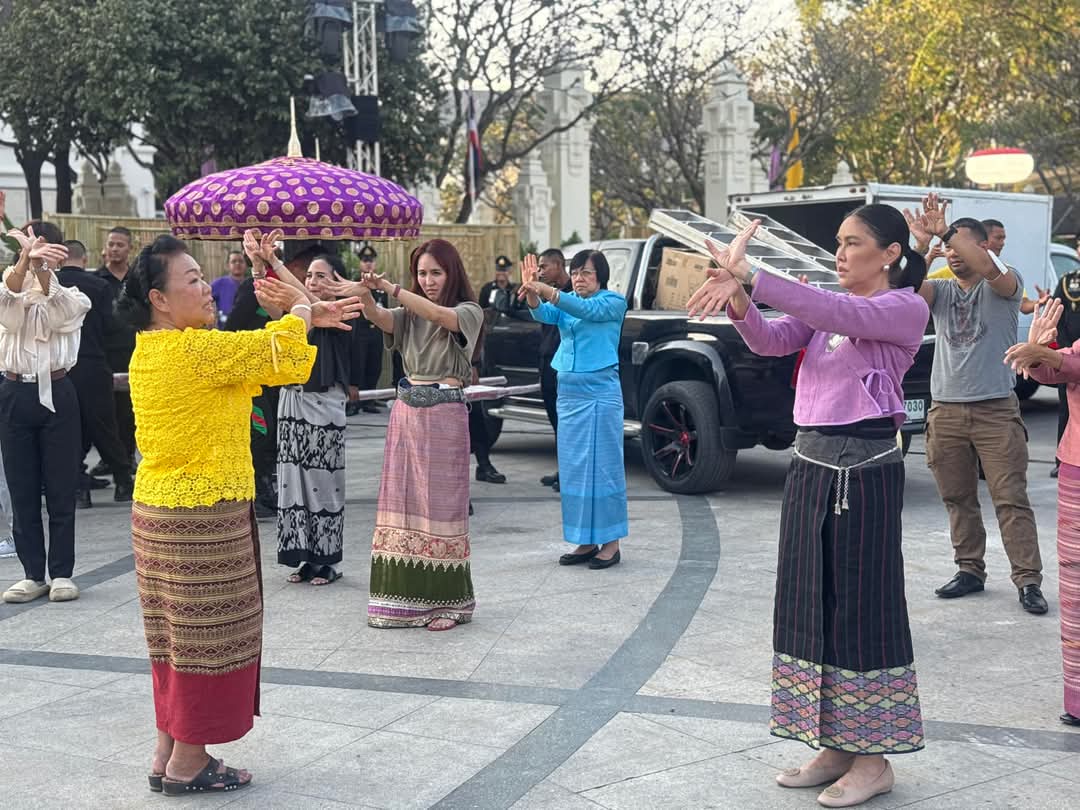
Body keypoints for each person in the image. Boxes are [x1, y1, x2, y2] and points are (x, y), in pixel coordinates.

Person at [687, 207, 928, 808]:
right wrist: (740, 299)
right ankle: (834, 744)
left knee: (861, 607)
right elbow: (770, 340)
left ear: (890, 253)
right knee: (809, 602)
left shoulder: (902, 308)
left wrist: (754, 276)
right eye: (838, 243)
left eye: (854, 243)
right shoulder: (828, 306)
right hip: (810, 465)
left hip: (862, 474)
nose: (840, 254)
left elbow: (834, 313)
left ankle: (873, 760)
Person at [117, 232, 361, 795]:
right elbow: (283, 352)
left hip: (160, 513)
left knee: (173, 639)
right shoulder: (195, 352)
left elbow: (263, 345)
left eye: (203, 277)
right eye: (192, 280)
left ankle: (168, 750)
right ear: (159, 299)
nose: (206, 287)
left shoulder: (156, 348)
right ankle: (189, 762)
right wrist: (301, 308)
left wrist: (272, 271)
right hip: (200, 518)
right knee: (209, 638)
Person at [908, 194, 1047, 615]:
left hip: (995, 411)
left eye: (960, 245)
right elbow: (903, 289)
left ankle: (1028, 579)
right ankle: (969, 569)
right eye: (947, 248)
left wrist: (947, 230)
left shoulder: (1006, 283)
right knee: (957, 497)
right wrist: (920, 247)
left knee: (1010, 498)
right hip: (945, 410)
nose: (952, 253)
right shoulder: (941, 290)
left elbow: (989, 270)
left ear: (983, 246)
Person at [336, 238, 483, 630]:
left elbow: (438, 314)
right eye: (422, 273)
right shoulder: (408, 314)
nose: (429, 280)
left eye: (436, 272)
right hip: (406, 415)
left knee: (441, 509)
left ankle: (449, 604)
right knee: (402, 506)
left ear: (452, 274)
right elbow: (379, 316)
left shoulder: (468, 311)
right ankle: (402, 601)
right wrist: (364, 293)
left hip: (445, 415)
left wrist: (391, 288)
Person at [519, 250, 628, 570]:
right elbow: (544, 315)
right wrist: (532, 292)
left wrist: (546, 290)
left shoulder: (612, 302)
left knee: (604, 467)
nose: (579, 278)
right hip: (569, 395)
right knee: (575, 469)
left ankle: (611, 543)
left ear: (601, 277)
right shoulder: (568, 300)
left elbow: (583, 310)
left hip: (600, 394)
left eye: (586, 273)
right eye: (576, 272)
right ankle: (585, 540)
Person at [0, 217, 88, 604]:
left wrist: (41, 268)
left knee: (60, 487)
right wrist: (24, 261)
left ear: (58, 254)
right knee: (21, 489)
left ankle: (62, 572)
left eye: (41, 247)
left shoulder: (73, 296)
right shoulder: (9, 291)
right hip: (14, 392)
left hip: (58, 391)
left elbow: (59, 314)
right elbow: (7, 310)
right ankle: (33, 574)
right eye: (28, 246)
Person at [1005, 299, 1080, 727]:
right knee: (1073, 585)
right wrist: (1039, 351)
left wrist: (1050, 355)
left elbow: (1068, 364)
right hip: (1075, 466)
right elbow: (1056, 371)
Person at [225, 241, 323, 519]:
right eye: (304, 271)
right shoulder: (254, 289)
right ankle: (256, 491)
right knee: (260, 432)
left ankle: (267, 486)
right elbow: (233, 328)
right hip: (252, 378)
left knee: (273, 436)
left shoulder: (288, 293)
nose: (305, 278)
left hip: (276, 379)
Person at [276, 252, 358, 586]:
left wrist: (276, 265)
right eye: (309, 275)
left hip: (324, 403)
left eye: (321, 275)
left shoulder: (346, 310)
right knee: (293, 480)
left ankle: (328, 561)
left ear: (338, 280)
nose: (312, 281)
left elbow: (305, 299)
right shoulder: (299, 312)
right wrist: (262, 266)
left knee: (324, 481)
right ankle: (304, 557)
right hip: (292, 399)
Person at [57, 239, 134, 508]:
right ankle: (123, 481)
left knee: (69, 430)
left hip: (60, 368)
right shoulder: (99, 286)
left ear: (60, 259)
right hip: (93, 363)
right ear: (85, 260)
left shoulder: (51, 284)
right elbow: (112, 326)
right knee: (105, 425)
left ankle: (79, 489)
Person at [92, 225, 137, 474]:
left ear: (130, 248)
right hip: (105, 353)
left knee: (130, 411)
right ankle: (107, 458)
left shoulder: (137, 280)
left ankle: (128, 457)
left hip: (134, 352)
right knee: (105, 409)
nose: (115, 249)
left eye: (120, 245)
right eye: (111, 244)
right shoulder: (97, 280)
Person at [535, 248, 571, 491]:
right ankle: (563, 470)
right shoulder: (548, 293)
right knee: (556, 421)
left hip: (564, 365)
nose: (540, 272)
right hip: (547, 361)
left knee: (567, 422)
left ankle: (570, 474)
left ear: (558, 265)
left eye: (544, 266)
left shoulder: (572, 295)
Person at [1049, 247, 1080, 478]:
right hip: (1070, 356)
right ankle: (1062, 461)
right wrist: (1066, 353)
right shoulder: (1069, 282)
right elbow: (1056, 314)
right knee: (1066, 409)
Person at [350, 244, 387, 414]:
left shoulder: (380, 285)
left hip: (376, 331)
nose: (368, 264)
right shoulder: (354, 283)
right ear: (360, 263)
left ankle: (369, 401)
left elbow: (384, 308)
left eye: (371, 261)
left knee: (374, 365)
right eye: (365, 261)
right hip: (360, 330)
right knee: (358, 365)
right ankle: (354, 402)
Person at [469, 329, 506, 484]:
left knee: (475, 415)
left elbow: (476, 332)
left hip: (461, 362)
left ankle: (484, 465)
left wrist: (473, 365)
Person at [210, 250, 248, 326]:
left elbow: (263, 307)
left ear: (246, 265)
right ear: (227, 266)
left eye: (241, 261)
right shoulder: (219, 284)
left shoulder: (252, 285)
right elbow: (204, 299)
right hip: (225, 329)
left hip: (248, 330)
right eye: (233, 261)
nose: (237, 264)